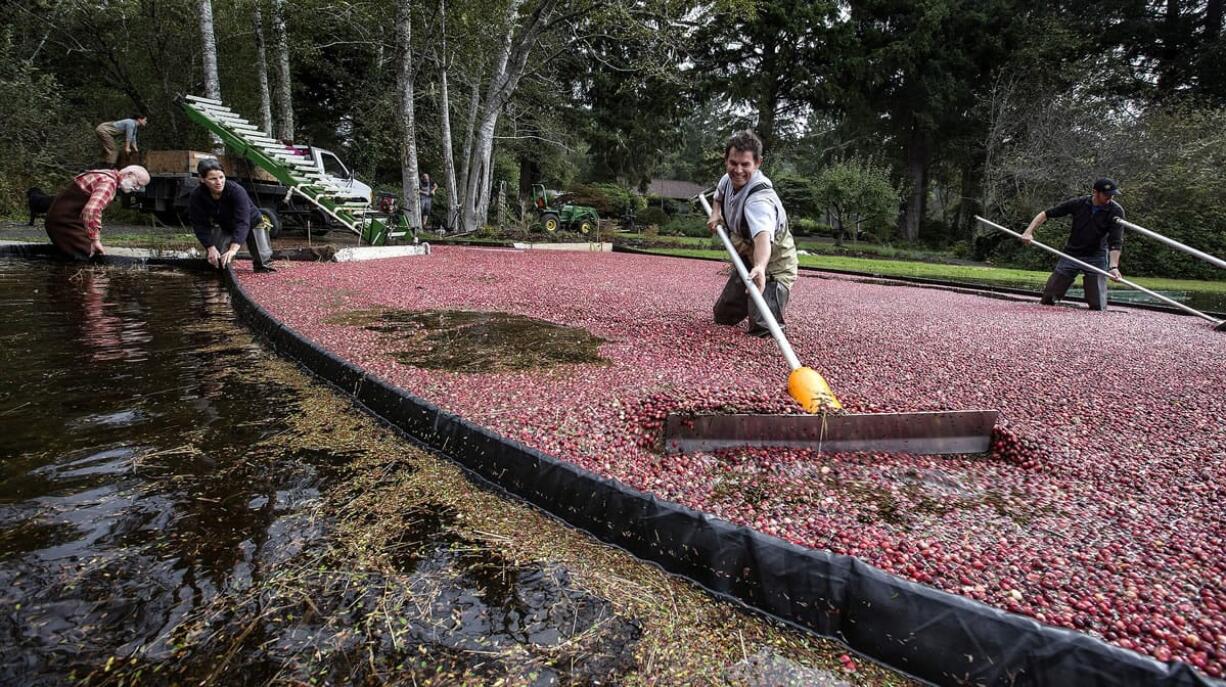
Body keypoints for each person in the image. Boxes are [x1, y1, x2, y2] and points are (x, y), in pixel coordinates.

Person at [705, 130, 798, 337]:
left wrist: (760, 267)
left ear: (757, 163)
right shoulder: (728, 179)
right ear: (726, 160)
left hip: (772, 266)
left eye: (745, 164)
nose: (738, 170)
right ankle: (751, 300)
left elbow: (763, 237)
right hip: (748, 259)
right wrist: (715, 213)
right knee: (722, 316)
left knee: (763, 328)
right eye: (733, 163)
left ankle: (766, 303)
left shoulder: (759, 200)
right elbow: (719, 194)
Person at [1021, 177, 1125, 311]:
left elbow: (1116, 240)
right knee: (1049, 298)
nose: (1110, 198)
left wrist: (1113, 267)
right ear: (1095, 192)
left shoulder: (1116, 211)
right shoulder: (1078, 203)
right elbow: (1046, 214)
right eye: (1106, 195)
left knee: (1098, 305)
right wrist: (1028, 232)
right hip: (1072, 254)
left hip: (1096, 257)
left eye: (1112, 195)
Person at [44, 165, 150, 259]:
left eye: (140, 187)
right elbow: (92, 211)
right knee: (89, 255)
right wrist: (95, 240)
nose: (137, 189)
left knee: (76, 256)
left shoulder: (106, 174)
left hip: (62, 219)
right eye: (138, 184)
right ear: (129, 174)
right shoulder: (109, 183)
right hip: (63, 223)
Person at [188, 158, 276, 272]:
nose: (219, 182)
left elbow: (243, 222)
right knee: (216, 260)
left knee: (263, 262)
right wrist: (210, 247)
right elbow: (199, 224)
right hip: (226, 225)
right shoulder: (197, 196)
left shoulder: (236, 191)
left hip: (251, 222)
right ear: (202, 179)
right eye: (213, 179)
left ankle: (263, 263)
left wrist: (233, 250)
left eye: (221, 177)